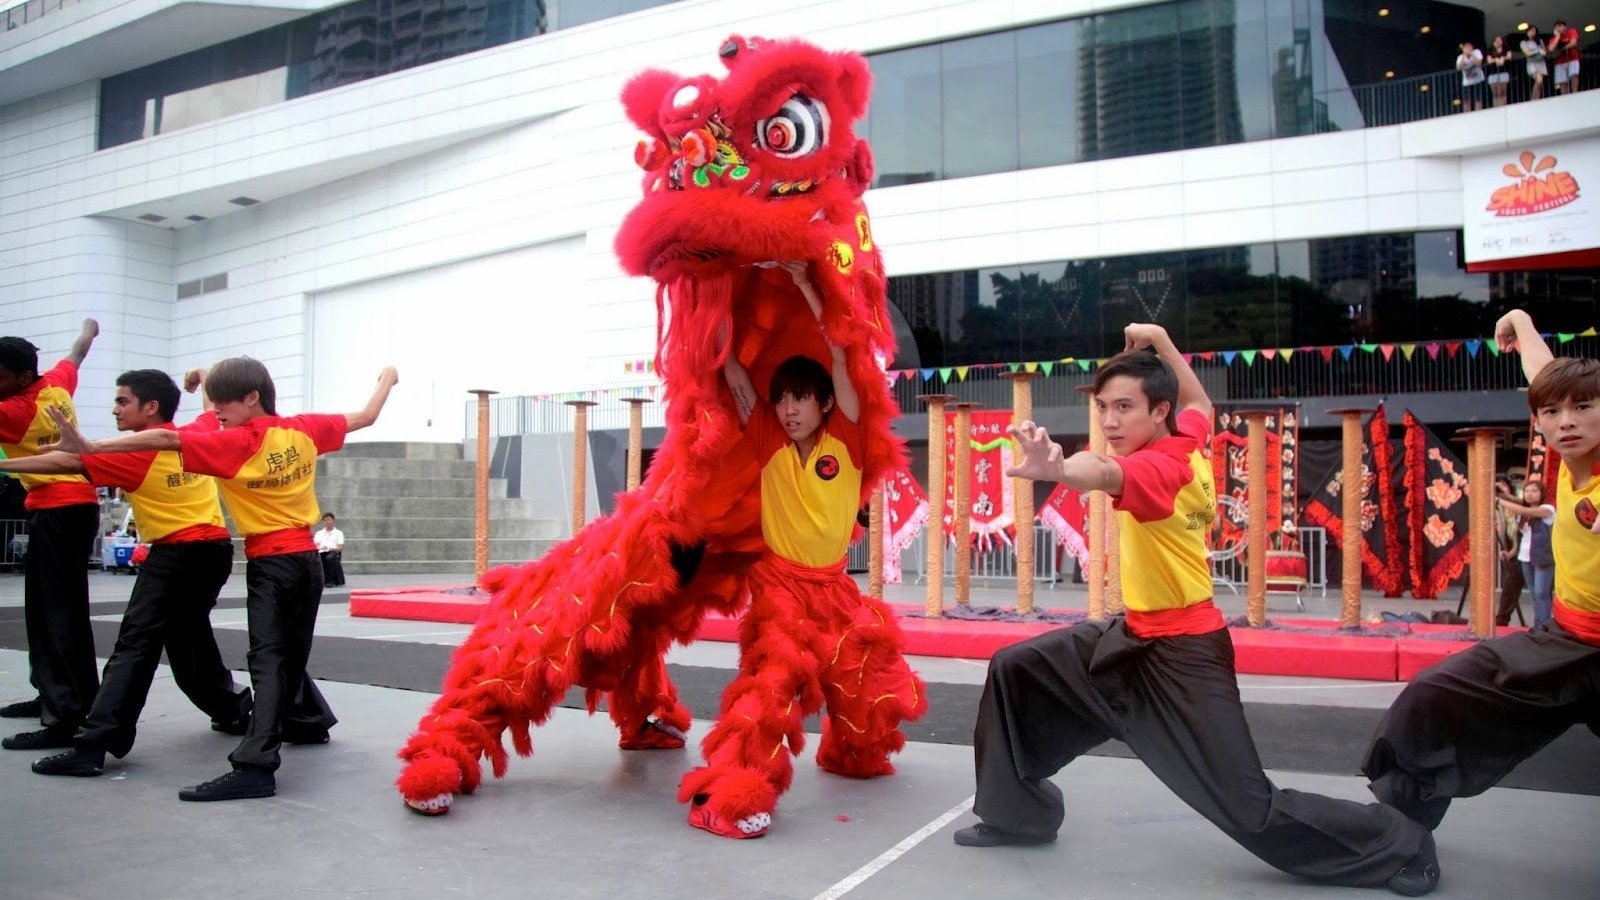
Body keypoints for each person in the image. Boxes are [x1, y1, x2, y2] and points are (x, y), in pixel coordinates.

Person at [954, 323, 1439, 897]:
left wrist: (1058, 471)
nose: (1110, 421)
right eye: (1104, 407)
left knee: (1248, 806)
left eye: (1124, 407)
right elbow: (1200, 400)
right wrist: (1160, 339)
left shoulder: (1158, 469)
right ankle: (1020, 815)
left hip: (1183, 653)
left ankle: (1399, 841)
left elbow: (1104, 473)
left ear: (1158, 412)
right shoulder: (1188, 438)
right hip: (1132, 633)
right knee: (1016, 667)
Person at [45, 358, 399, 801]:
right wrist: (386, 377)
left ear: (251, 398)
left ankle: (256, 766)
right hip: (307, 563)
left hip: (271, 565)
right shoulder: (304, 427)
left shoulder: (235, 442)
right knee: (286, 661)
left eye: (223, 405)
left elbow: (166, 437)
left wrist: (91, 446)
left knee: (267, 662)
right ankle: (302, 726)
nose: (216, 414)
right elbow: (366, 415)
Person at [693, 260, 925, 839]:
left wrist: (804, 285)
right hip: (780, 589)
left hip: (835, 590)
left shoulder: (844, 435)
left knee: (869, 692)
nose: (789, 409)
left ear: (824, 404)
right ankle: (727, 791)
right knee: (772, 686)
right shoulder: (769, 434)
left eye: (801, 398)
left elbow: (844, 357)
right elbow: (740, 380)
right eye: (784, 400)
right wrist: (715, 318)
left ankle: (850, 751)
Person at [1364, 308, 1600, 831]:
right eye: (1553, 412)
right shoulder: (1563, 450)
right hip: (1565, 638)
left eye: (1584, 407)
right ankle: (1402, 836)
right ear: (1537, 421)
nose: (1567, 421)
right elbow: (1543, 371)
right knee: (1431, 696)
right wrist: (1519, 318)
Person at [0, 368, 253, 776]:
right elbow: (210, 408)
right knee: (188, 640)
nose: (114, 409)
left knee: (135, 645)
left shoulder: (134, 453)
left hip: (179, 554)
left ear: (150, 408)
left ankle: (95, 742)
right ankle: (238, 710)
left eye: (123, 402)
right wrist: (203, 379)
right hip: (214, 552)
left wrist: (5, 465)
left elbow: (63, 463)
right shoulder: (195, 432)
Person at [0, 319, 103, 750]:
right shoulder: (56, 384)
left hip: (60, 510)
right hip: (72, 509)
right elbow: (76, 352)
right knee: (49, 610)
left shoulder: (14, 410)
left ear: (24, 376)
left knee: (55, 614)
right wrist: (87, 331)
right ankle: (53, 693)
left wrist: (87, 332)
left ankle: (66, 714)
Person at [1497, 478, 1555, 627]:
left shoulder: (1548, 509)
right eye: (1527, 491)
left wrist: (1500, 501)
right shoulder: (1521, 515)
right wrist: (1511, 553)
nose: (1530, 494)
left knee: (1542, 593)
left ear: (1542, 493)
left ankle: (1544, 626)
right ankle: (1539, 624)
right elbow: (1520, 537)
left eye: (1534, 491)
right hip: (1524, 556)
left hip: (1543, 557)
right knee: (1535, 594)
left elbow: (1526, 510)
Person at [1491, 475, 1527, 626]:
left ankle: (1502, 617)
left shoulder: (1517, 504)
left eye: (1503, 485)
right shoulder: (1495, 506)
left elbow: (1521, 527)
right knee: (1511, 581)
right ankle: (1502, 617)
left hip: (1521, 544)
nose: (1498, 488)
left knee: (1514, 582)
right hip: (1508, 546)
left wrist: (1506, 496)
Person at [1548, 20, 1581, 94]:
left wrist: (1562, 49)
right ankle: (1564, 96)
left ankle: (1575, 93)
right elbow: (1551, 48)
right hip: (1560, 62)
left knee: (1574, 75)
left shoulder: (1571, 31)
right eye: (1556, 27)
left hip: (1572, 58)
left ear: (1565, 27)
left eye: (1560, 26)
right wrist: (1558, 36)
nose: (1558, 28)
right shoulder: (1553, 39)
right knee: (1562, 81)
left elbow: (1574, 42)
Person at [315, 513, 345, 587]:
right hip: (321, 551)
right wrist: (321, 548)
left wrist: (333, 548)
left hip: (333, 552)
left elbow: (340, 548)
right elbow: (315, 546)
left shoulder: (339, 533)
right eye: (325, 520)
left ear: (333, 520)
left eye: (329, 520)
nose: (327, 522)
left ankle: (330, 580)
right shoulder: (319, 533)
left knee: (330, 558)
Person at [1456, 41, 1486, 111]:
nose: (1467, 49)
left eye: (1469, 47)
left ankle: (1478, 112)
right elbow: (1458, 68)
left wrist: (1472, 55)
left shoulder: (1477, 52)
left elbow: (1479, 63)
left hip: (1478, 80)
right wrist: (1464, 58)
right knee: (1466, 100)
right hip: (1467, 81)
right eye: (1465, 47)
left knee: (1478, 99)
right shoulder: (1460, 57)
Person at [1521, 26, 1549, 100]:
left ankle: (1537, 99)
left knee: (1540, 83)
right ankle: (1533, 99)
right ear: (1527, 32)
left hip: (1541, 63)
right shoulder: (1524, 42)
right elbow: (1527, 53)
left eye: (1533, 31)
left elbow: (1544, 51)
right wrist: (1538, 51)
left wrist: (1543, 51)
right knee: (1539, 80)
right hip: (1532, 64)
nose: (1532, 32)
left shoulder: (1539, 41)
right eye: (1530, 31)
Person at [1485, 35, 1513, 106]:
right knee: (1495, 93)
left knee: (1503, 92)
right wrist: (1496, 59)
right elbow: (1489, 60)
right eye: (1496, 40)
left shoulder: (1506, 49)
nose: (1498, 41)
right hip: (1493, 73)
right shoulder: (1490, 50)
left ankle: (1503, 106)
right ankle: (1496, 107)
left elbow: (1509, 57)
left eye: (1499, 40)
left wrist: (1503, 58)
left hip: (1504, 72)